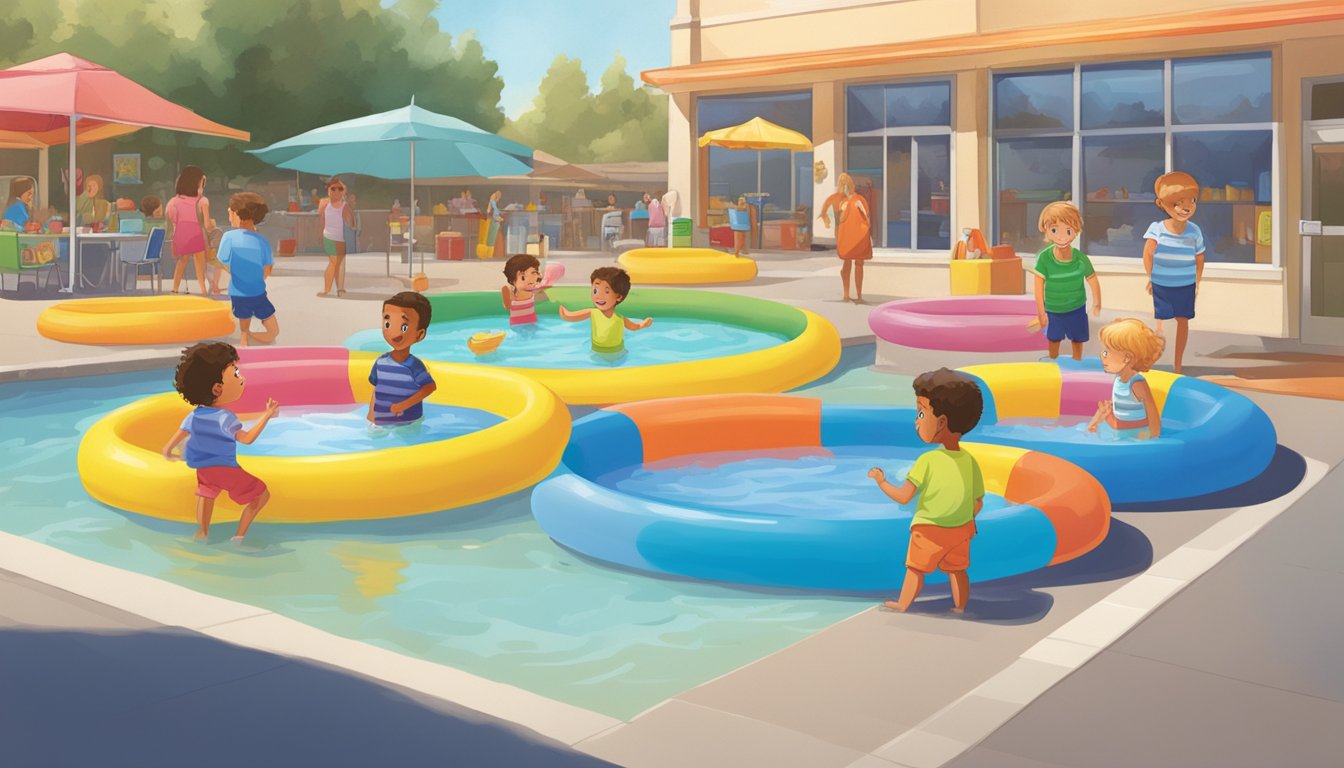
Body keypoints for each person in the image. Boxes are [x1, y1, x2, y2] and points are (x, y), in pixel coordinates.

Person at [868, 368, 985, 614]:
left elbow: (904, 496)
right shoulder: (970, 461)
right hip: (961, 530)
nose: (916, 421)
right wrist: (964, 520)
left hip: (929, 529)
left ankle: (903, 604)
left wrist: (881, 481)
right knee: (958, 571)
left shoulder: (928, 461)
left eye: (921, 413)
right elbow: (977, 501)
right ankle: (960, 607)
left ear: (941, 422)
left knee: (915, 569)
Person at [161, 342, 278, 543]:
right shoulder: (226, 418)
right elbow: (248, 439)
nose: (242, 378)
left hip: (204, 470)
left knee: (206, 495)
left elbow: (171, 444)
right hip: (227, 470)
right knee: (261, 495)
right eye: (236, 374)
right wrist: (267, 415)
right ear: (217, 388)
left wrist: (170, 453)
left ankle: (203, 532)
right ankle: (239, 536)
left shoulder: (194, 415)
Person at [1144, 171, 1204, 374]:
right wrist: (1150, 278)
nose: (1186, 207)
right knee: (1161, 323)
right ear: (1162, 204)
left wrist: (1197, 282)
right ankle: (1153, 359)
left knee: (1182, 321)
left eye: (1191, 201)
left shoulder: (1194, 231)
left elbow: (1199, 258)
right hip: (1162, 283)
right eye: (1178, 202)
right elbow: (1148, 255)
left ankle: (1177, 363)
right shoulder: (1157, 228)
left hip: (1185, 284)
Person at [1031, 201, 1102, 361]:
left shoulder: (1081, 259)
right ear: (1046, 231)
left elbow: (1092, 279)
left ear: (1076, 231)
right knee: (1054, 338)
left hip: (1076, 307)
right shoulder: (1045, 258)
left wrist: (1097, 302)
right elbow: (1038, 286)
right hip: (1053, 309)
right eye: (1054, 230)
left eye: (1068, 231)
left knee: (1078, 338)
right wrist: (1041, 312)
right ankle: (1053, 359)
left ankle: (1077, 361)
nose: (1062, 236)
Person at [215, 193, 278, 348]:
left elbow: (222, 262)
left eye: (230, 212)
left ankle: (247, 338)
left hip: (239, 293)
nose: (229, 215)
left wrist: (236, 274)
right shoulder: (262, 241)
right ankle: (248, 338)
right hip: (257, 293)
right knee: (273, 332)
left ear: (236, 214)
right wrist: (253, 278)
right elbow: (267, 270)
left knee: (244, 332)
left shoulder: (228, 237)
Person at [1089, 318, 1165, 440]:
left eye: (1107, 352)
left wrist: (1154, 439)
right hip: (1122, 433)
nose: (1102, 356)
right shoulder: (1119, 380)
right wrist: (1098, 420)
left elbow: (1153, 415)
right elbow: (1120, 409)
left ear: (1127, 358)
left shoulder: (1136, 384)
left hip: (1138, 436)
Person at [369, 291, 437, 425]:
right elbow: (376, 390)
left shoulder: (414, 365)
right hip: (381, 422)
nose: (394, 333)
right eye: (388, 324)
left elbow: (429, 387)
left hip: (408, 423)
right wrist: (371, 416)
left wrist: (403, 405)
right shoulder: (380, 362)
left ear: (420, 334)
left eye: (404, 327)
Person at [558, 266, 652, 353]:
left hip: (617, 352)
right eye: (595, 291)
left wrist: (642, 325)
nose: (599, 296)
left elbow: (633, 326)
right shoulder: (593, 312)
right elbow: (574, 316)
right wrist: (566, 315)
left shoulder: (620, 319)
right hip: (597, 351)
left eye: (607, 292)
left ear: (618, 296)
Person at [818, 172, 872, 303]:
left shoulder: (856, 200)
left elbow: (866, 217)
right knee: (850, 265)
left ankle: (855, 295)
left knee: (855, 264)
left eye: (844, 184)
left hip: (857, 237)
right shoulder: (842, 200)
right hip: (849, 237)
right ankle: (848, 295)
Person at [165, 165, 214, 295]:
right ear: (198, 183)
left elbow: (172, 219)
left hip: (181, 233)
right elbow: (207, 225)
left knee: (182, 262)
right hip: (197, 234)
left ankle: (175, 288)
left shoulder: (173, 202)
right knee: (200, 265)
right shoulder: (203, 201)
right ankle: (203, 290)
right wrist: (213, 226)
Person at [314, 176, 355, 297]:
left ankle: (340, 288)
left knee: (340, 262)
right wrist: (319, 234)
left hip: (341, 238)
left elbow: (351, 223)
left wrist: (351, 206)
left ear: (344, 191)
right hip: (328, 237)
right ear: (328, 190)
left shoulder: (345, 206)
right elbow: (321, 220)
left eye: (340, 189)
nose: (336, 191)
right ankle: (327, 289)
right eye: (333, 189)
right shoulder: (324, 203)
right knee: (334, 262)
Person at [501, 253, 547, 326]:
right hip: (517, 327)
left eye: (534, 273)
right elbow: (507, 305)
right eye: (523, 277)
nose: (528, 280)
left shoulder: (533, 291)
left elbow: (545, 296)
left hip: (533, 324)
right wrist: (507, 291)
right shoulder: (510, 293)